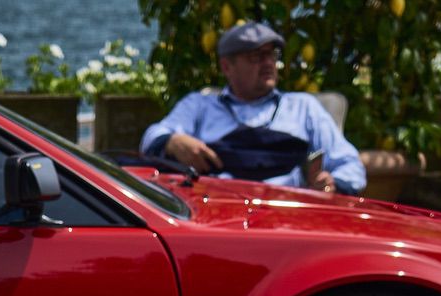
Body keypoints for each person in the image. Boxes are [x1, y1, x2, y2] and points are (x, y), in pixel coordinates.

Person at [140, 21, 365, 195]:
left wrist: (331, 184)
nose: (268, 63)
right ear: (227, 67)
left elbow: (349, 164)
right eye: (256, 56)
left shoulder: (302, 107)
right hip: (217, 213)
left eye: (272, 55)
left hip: (289, 214)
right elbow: (151, 138)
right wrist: (173, 141)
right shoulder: (200, 105)